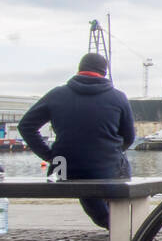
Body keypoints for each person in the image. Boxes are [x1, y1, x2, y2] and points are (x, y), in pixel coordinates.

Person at [18, 53, 135, 230]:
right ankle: (117, 223)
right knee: (118, 166)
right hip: (107, 167)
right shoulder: (118, 97)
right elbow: (129, 137)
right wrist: (113, 151)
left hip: (63, 169)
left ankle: (108, 220)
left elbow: (25, 126)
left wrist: (49, 155)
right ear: (104, 73)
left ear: (79, 70)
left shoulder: (56, 94)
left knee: (83, 175)